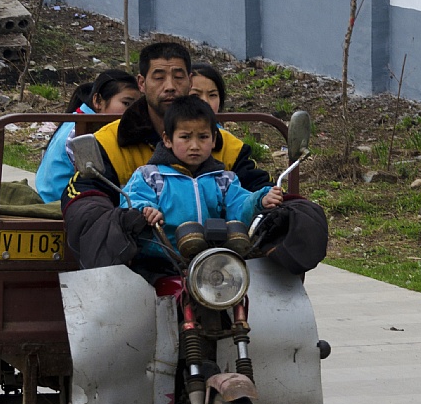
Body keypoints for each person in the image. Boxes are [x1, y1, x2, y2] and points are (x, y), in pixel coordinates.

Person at [63, 42, 272, 268]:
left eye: (178, 77)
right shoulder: (110, 141)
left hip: (219, 264)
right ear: (141, 83)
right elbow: (84, 193)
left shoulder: (225, 144)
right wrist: (131, 218)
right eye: (159, 77)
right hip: (146, 262)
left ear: (190, 81)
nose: (170, 86)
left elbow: (251, 192)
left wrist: (266, 199)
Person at [123, 96, 283, 261]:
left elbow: (240, 206)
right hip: (162, 260)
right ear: (167, 140)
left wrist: (260, 200)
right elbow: (130, 200)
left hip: (214, 260)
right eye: (185, 137)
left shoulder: (224, 180)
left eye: (203, 137)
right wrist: (146, 209)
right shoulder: (150, 176)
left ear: (214, 139)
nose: (194, 146)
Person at [35, 70, 139, 202]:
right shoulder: (85, 132)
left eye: (138, 105)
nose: (134, 111)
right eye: (126, 104)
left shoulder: (78, 120)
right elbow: (101, 181)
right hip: (61, 204)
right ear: (98, 101)